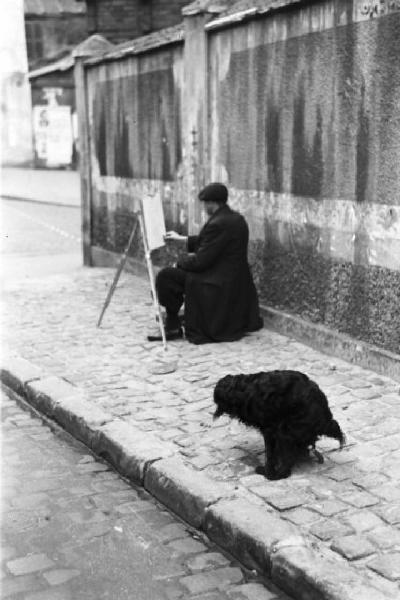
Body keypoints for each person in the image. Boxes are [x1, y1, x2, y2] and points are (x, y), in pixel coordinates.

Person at [147, 182, 263, 344]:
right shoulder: (235, 219)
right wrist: (181, 239)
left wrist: (178, 263)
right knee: (175, 275)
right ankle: (176, 319)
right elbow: (209, 243)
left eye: (205, 204)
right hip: (232, 278)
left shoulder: (218, 223)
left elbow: (201, 261)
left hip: (217, 281)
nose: (204, 208)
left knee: (166, 277)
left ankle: (173, 324)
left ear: (211, 203)